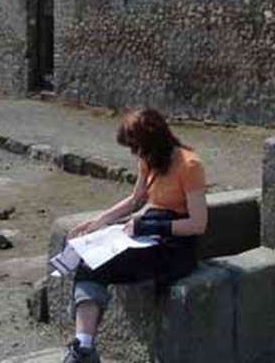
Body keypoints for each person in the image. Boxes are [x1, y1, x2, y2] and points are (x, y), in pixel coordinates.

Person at [63, 108, 209, 363]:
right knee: (86, 259)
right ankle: (84, 347)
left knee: (95, 264)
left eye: (137, 147)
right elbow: (135, 200)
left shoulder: (189, 165)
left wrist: (150, 228)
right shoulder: (148, 160)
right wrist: (98, 222)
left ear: (154, 141)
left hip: (173, 247)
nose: (135, 153)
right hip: (145, 233)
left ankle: (84, 351)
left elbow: (198, 224)